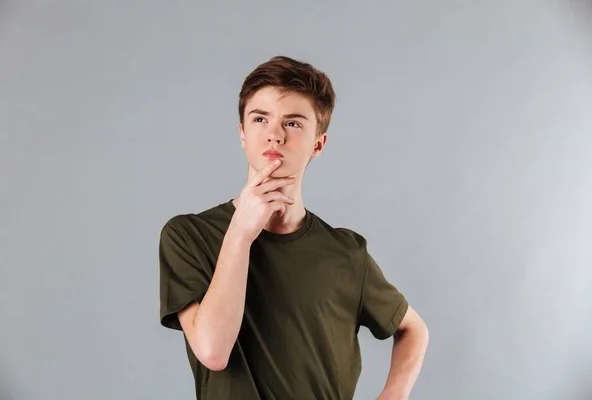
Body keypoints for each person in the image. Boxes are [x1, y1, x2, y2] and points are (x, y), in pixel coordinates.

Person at [158, 55, 429, 400]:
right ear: (242, 132)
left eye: (294, 123)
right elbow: (212, 351)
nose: (274, 135)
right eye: (260, 119)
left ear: (318, 144)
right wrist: (240, 232)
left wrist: (394, 395)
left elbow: (413, 328)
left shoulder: (346, 253)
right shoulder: (188, 236)